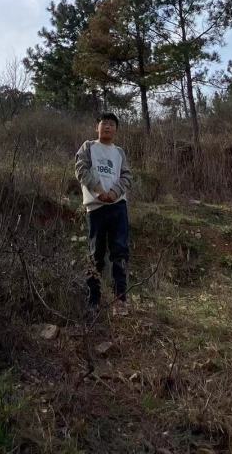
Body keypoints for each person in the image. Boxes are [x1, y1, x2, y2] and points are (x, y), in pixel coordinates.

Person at [75, 112, 132, 316]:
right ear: (97, 127)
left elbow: (127, 176)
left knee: (120, 252)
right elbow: (81, 169)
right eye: (104, 123)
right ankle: (93, 301)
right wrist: (99, 191)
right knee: (95, 255)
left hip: (118, 207)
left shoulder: (119, 152)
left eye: (111, 124)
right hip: (96, 208)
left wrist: (114, 193)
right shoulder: (88, 147)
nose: (107, 127)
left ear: (116, 130)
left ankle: (120, 301)